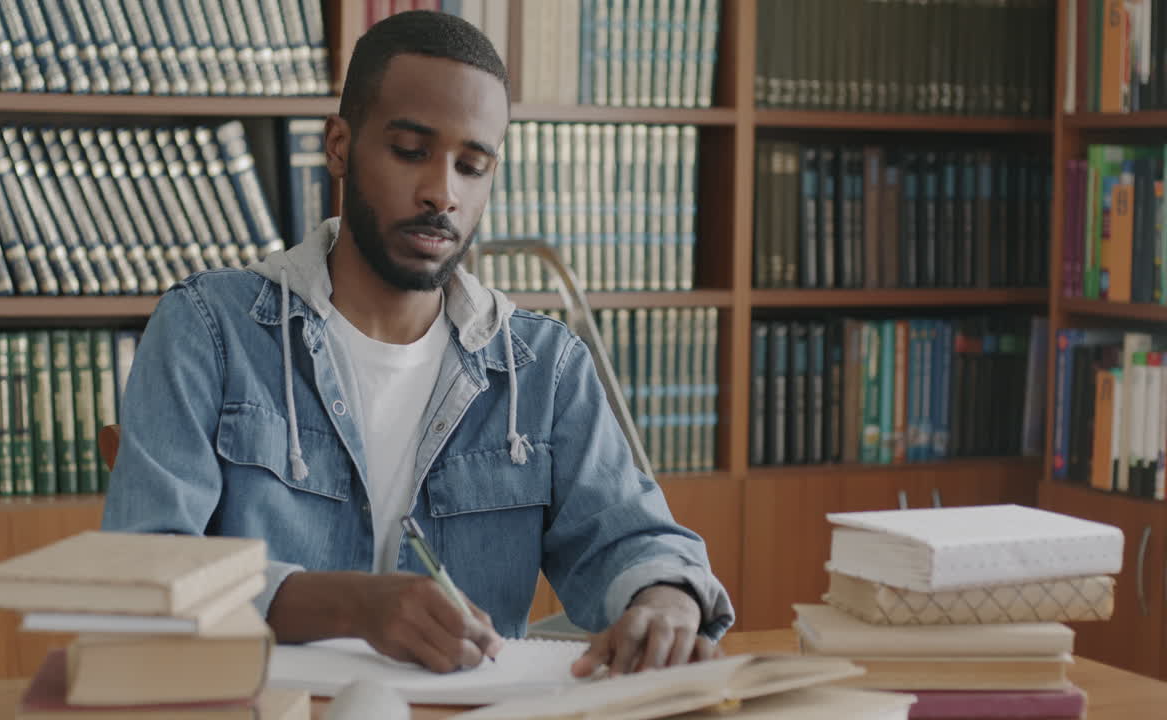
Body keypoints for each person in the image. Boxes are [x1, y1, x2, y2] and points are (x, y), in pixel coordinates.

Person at [102, 9, 734, 678]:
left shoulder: (541, 368)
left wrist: (665, 600)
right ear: (339, 146)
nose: (442, 192)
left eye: (472, 164)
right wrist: (350, 607)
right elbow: (147, 569)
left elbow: (636, 540)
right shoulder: (209, 327)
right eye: (410, 151)